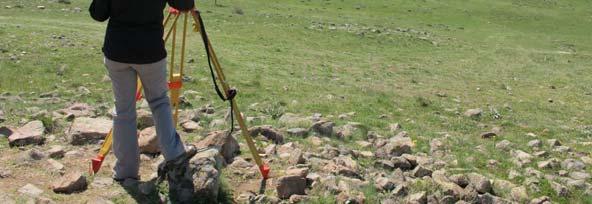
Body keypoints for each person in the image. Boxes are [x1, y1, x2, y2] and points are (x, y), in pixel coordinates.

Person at [88, 0, 196, 189]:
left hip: (117, 50)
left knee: (123, 110)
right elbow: (185, 4)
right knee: (159, 102)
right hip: (150, 51)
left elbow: (98, 14)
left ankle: (125, 171)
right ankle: (175, 157)